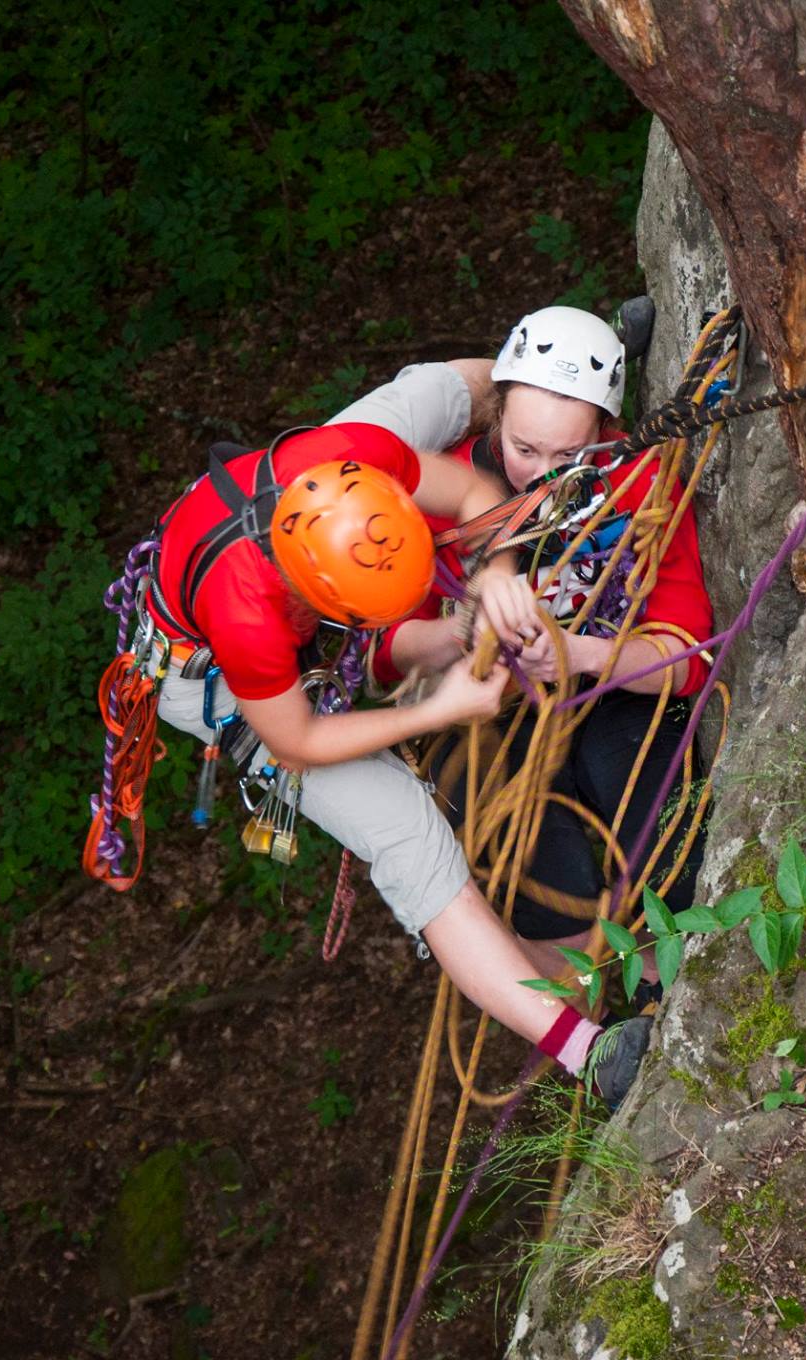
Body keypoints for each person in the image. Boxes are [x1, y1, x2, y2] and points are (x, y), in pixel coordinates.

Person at [138, 415, 654, 1107]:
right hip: (205, 674)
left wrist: (491, 582)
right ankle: (589, 1055)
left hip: (295, 496)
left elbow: (473, 493)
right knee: (406, 833)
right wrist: (438, 711)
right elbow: (296, 741)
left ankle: (552, 381)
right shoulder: (244, 616)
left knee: (442, 387)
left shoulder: (357, 450)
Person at [332, 304, 715, 989]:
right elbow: (382, 652)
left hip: (606, 686)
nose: (541, 475)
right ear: (495, 418)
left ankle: (673, 984)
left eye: (569, 456)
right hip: (482, 711)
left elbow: (690, 654)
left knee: (664, 845)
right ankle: (601, 1009)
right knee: (541, 880)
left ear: (604, 429)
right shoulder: (433, 494)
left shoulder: (636, 482)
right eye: (524, 449)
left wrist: (585, 655)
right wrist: (461, 635)